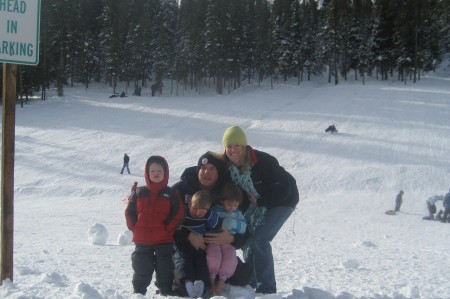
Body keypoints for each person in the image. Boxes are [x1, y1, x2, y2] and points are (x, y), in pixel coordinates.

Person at [220, 125, 299, 294]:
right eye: (229, 146)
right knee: (248, 239)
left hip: (282, 201)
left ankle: (267, 289)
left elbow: (285, 190)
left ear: (245, 146)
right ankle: (252, 280)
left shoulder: (263, 161)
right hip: (256, 205)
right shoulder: (230, 170)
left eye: (237, 146)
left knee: (260, 239)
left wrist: (262, 201)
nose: (233, 150)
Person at [172, 152, 252, 296]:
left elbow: (241, 225)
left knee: (242, 275)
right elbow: (165, 222)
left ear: (219, 172)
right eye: (203, 168)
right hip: (183, 248)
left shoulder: (226, 193)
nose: (206, 172)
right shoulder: (181, 189)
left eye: (212, 168)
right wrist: (188, 235)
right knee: (183, 280)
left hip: (215, 249)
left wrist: (232, 239)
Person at [125, 156, 185, 295]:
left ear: (165, 173)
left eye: (159, 170)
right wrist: (134, 227)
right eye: (152, 171)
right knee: (141, 266)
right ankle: (139, 292)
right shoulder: (139, 192)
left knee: (165, 267)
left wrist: (168, 228)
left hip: (163, 239)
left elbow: (179, 212)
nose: (156, 173)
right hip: (142, 239)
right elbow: (130, 211)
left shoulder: (171, 193)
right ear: (147, 173)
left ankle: (165, 291)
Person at [175, 190, 221, 298]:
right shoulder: (183, 214)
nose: (198, 213)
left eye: (203, 211)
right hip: (183, 245)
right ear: (190, 203)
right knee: (183, 262)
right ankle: (188, 283)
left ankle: (202, 285)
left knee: (202, 264)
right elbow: (174, 227)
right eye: (195, 208)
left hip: (200, 246)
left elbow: (217, 226)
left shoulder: (209, 216)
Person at [207, 182, 247, 295]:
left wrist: (232, 223)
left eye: (235, 205)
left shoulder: (238, 213)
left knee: (230, 259)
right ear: (222, 201)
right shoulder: (215, 210)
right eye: (229, 204)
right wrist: (220, 225)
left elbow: (243, 227)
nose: (231, 208)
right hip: (214, 241)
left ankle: (220, 283)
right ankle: (211, 280)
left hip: (228, 243)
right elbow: (208, 222)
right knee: (214, 257)